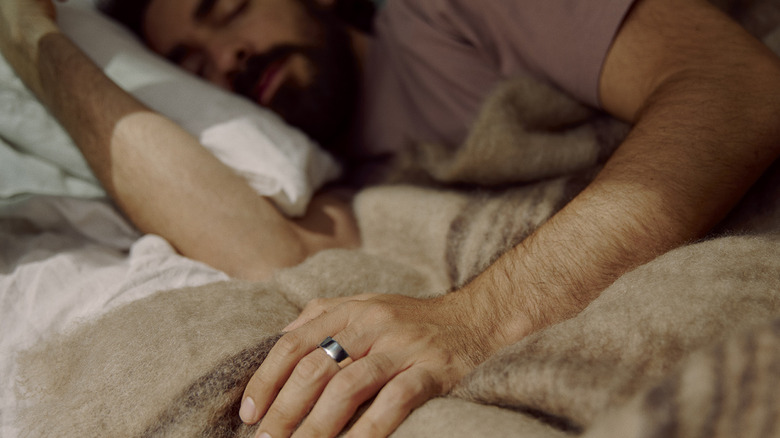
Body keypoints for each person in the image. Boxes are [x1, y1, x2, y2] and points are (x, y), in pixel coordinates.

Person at [1, 1, 779, 437]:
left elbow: (736, 86)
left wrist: (478, 317)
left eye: (228, 9)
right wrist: (35, 40)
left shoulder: (446, 12)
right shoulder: (345, 178)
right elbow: (265, 253)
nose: (228, 58)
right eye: (196, 67)